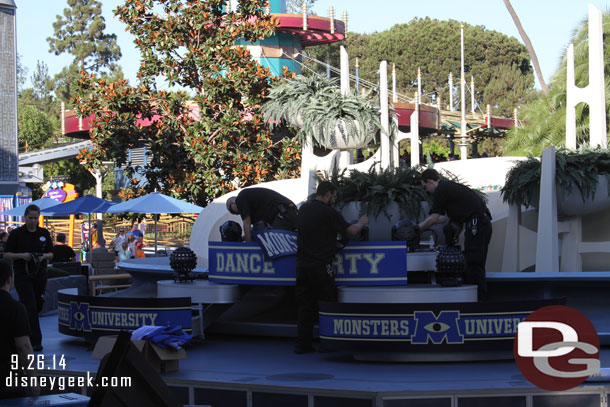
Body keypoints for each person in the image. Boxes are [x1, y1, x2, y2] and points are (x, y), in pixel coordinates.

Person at [294, 181, 368, 354]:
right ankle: (329, 342)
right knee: (327, 303)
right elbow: (350, 231)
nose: (334, 199)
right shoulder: (329, 213)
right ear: (328, 194)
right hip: (321, 266)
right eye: (334, 196)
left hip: (302, 265)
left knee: (304, 306)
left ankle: (302, 345)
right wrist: (362, 222)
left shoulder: (303, 209)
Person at [417, 169, 492, 301]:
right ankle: (477, 296)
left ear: (430, 182)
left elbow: (434, 218)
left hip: (477, 223)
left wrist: (417, 228)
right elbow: (444, 218)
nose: (427, 191)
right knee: (471, 258)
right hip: (481, 223)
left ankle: (480, 300)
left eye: (425, 187)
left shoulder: (441, 189)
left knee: (474, 261)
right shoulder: (448, 187)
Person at [4, 204, 53, 352]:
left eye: (35, 218)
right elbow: (7, 254)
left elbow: (51, 254)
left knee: (37, 305)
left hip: (39, 273)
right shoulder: (16, 234)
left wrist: (43, 256)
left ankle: (24, 333)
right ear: (25, 218)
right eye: (30, 218)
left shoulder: (43, 233)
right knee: (29, 305)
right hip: (22, 273)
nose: (32, 221)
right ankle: (34, 341)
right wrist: (23, 256)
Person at [0, 258, 39, 398]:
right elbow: (24, 347)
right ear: (9, 279)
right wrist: (33, 382)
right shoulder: (15, 308)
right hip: (6, 380)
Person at [226, 188, 298, 242]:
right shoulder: (256, 208)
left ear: (232, 202)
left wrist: (249, 246)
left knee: (273, 242)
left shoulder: (240, 198)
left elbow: (246, 223)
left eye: (234, 212)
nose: (238, 213)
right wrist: (241, 239)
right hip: (289, 214)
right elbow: (255, 232)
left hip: (283, 214)